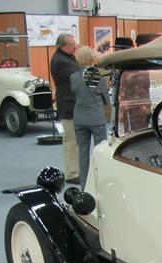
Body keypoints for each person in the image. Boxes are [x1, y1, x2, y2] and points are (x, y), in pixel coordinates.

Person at [70, 47, 108, 189]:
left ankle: (85, 186)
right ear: (92, 58)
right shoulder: (98, 76)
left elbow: (75, 95)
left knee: (83, 152)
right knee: (100, 153)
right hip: (96, 118)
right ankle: (100, 184)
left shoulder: (73, 77)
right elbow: (105, 99)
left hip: (79, 118)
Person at [50, 33, 81, 183]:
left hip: (72, 103)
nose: (75, 47)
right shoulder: (61, 61)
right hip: (68, 105)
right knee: (71, 140)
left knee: (74, 140)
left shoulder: (68, 57)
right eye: (72, 45)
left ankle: (76, 170)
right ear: (62, 46)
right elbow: (76, 77)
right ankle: (73, 173)